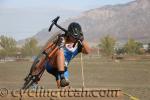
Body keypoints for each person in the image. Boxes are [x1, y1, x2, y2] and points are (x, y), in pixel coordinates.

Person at [31, 22, 91, 88]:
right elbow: (48, 48)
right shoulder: (62, 38)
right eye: (72, 36)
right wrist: (41, 61)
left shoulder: (79, 45)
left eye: (76, 37)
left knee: (63, 89)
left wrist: (82, 40)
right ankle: (34, 81)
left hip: (63, 68)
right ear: (69, 33)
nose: (74, 38)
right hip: (51, 64)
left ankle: (61, 79)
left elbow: (88, 51)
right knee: (60, 52)